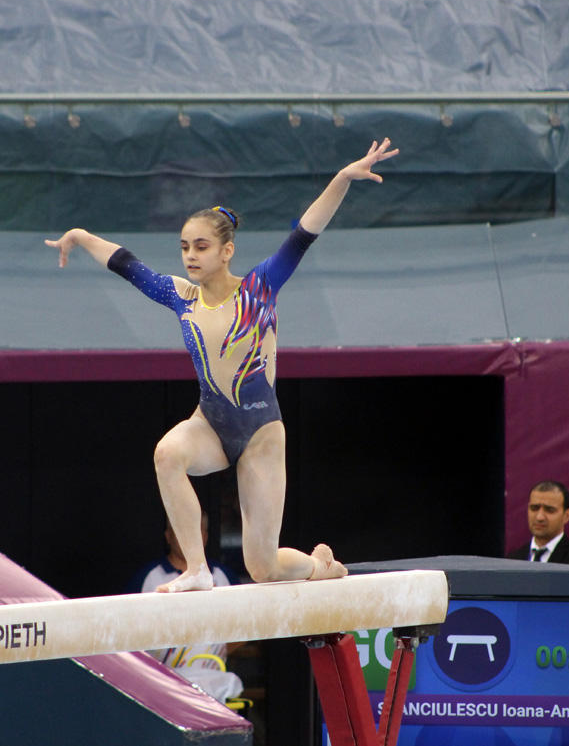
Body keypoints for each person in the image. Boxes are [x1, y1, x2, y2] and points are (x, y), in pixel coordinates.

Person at [46, 138, 399, 592]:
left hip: (261, 436)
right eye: (184, 247)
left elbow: (305, 233)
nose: (190, 255)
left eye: (201, 246)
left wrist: (342, 178)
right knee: (167, 455)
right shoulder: (181, 296)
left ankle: (319, 567)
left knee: (264, 567)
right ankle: (196, 569)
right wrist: (79, 236)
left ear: (226, 251)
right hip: (210, 424)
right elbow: (127, 265)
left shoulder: (259, 289)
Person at [128, 512, 244, 702]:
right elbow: (125, 633)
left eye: (195, 532)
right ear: (168, 536)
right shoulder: (147, 578)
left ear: (205, 537)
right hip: (160, 685)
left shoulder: (224, 576)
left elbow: (247, 628)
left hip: (213, 684)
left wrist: (213, 648)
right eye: (180, 531)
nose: (188, 537)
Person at [504, 481, 569, 566]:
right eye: (534, 508)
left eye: (549, 510)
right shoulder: (512, 560)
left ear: (567, 515)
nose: (540, 517)